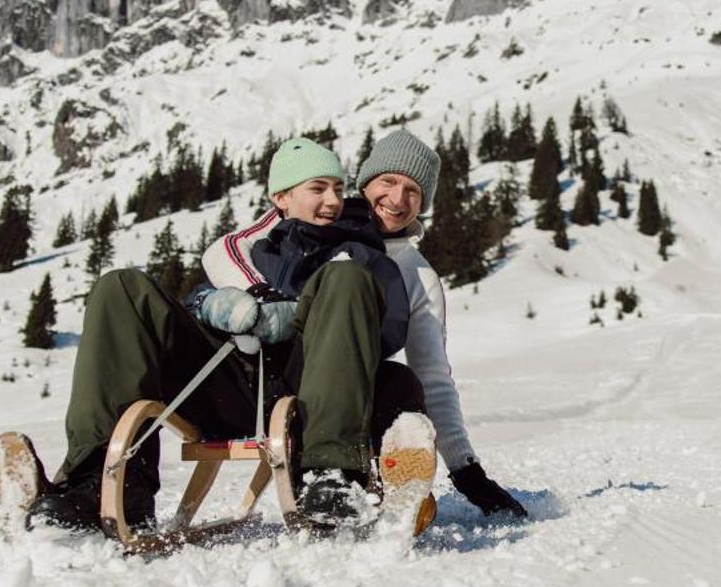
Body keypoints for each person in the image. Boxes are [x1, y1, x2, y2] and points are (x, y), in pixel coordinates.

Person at [5, 136, 427, 533]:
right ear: (281, 199)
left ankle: (331, 479)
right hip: (227, 389)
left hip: (311, 399)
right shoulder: (260, 247)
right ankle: (100, 482)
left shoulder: (365, 258)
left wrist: (306, 312)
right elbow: (214, 286)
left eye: (338, 188)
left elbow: (388, 337)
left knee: (347, 283)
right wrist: (208, 302)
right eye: (319, 188)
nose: (333, 200)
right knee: (121, 287)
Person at [205, 128, 529, 522]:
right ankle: (364, 477)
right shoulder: (315, 218)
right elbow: (226, 249)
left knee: (403, 384)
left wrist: (467, 472)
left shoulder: (415, 273)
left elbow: (434, 375)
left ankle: (399, 481)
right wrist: (258, 298)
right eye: (388, 181)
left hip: (354, 394)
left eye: (413, 191)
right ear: (365, 182)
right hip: (278, 378)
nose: (397, 199)